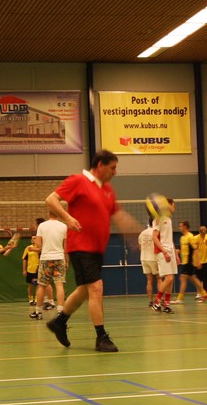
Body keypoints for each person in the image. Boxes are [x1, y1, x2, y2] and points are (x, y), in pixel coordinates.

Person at [43, 150, 138, 353]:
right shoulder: (78, 181)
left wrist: (134, 233)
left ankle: (59, 322)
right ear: (100, 165)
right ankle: (101, 337)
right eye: (112, 168)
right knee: (96, 288)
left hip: (97, 249)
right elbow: (51, 199)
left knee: (85, 290)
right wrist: (67, 218)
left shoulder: (108, 190)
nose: (115, 172)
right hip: (80, 246)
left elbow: (118, 215)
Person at [35, 208, 68, 318]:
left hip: (45, 258)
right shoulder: (64, 226)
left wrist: (44, 247)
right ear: (58, 214)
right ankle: (60, 311)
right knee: (59, 285)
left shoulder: (42, 226)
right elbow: (66, 246)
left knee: (41, 285)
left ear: (49, 213)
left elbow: (38, 244)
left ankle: (38, 312)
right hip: (59, 257)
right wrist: (67, 260)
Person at [151, 199, 177, 313]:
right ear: (168, 205)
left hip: (170, 252)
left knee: (171, 280)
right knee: (169, 278)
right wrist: (164, 252)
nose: (174, 208)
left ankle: (166, 305)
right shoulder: (158, 219)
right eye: (173, 205)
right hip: (162, 252)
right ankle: (156, 303)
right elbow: (154, 237)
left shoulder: (169, 220)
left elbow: (169, 239)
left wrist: (175, 254)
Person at [174, 221, 207, 303]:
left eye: (181, 226)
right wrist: (176, 253)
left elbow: (195, 249)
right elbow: (180, 249)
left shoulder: (190, 236)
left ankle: (180, 298)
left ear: (185, 227)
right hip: (184, 262)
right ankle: (204, 294)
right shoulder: (182, 238)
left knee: (183, 278)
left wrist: (198, 261)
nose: (179, 228)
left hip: (189, 262)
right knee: (193, 278)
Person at [137, 219, 157, 309]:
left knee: (149, 280)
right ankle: (161, 300)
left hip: (144, 259)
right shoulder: (156, 232)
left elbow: (140, 247)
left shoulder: (142, 233)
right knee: (159, 279)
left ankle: (150, 301)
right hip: (153, 258)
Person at [22, 236, 40, 317]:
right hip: (30, 270)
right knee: (31, 285)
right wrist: (24, 270)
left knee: (38, 285)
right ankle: (30, 299)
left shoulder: (39, 248)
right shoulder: (28, 248)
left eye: (34, 238)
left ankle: (36, 299)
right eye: (32, 238)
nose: (33, 239)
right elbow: (24, 259)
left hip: (38, 269)